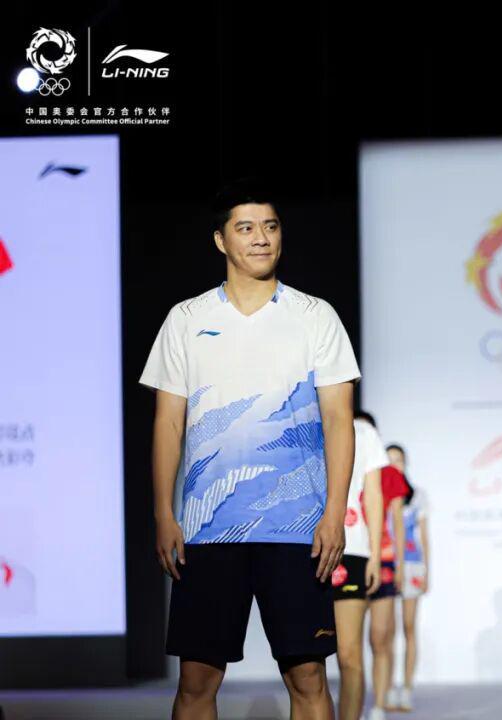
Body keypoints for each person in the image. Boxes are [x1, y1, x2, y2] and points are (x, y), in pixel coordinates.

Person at [141, 179, 362, 720]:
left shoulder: (314, 315)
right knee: (196, 680)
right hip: (207, 528)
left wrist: (334, 513)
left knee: (308, 675)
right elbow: (169, 422)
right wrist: (164, 514)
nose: (261, 238)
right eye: (245, 228)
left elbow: (339, 418)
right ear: (221, 240)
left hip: (299, 528)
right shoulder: (186, 319)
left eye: (270, 226)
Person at [333, 411, 407, 720]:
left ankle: (377, 704)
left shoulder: (364, 434)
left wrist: (383, 557)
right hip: (304, 550)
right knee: (306, 663)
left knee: (368, 644)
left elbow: (386, 509)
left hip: (359, 552)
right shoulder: (302, 426)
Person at [386, 444, 430, 712]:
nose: (394, 465)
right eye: (389, 460)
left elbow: (424, 537)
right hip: (387, 564)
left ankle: (407, 688)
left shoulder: (418, 497)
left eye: (398, 460)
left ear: (406, 463)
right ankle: (389, 687)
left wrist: (427, 571)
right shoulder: (378, 494)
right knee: (386, 631)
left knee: (409, 627)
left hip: (412, 566)